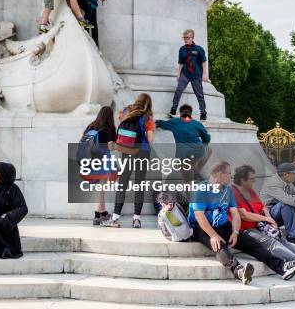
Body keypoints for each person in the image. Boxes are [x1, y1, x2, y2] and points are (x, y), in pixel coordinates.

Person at [189, 161, 288, 285]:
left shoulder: (228, 190)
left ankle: (282, 267)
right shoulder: (201, 189)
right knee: (219, 245)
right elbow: (199, 215)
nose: (231, 177)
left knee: (252, 243)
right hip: (202, 227)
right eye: (229, 174)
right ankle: (238, 270)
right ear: (219, 174)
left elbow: (235, 213)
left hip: (224, 225)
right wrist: (213, 236)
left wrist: (235, 232)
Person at [232, 165, 295, 277]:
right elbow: (244, 215)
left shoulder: (250, 191)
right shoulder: (233, 192)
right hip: (247, 228)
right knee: (272, 243)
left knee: (283, 241)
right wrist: (266, 219)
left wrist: (271, 221)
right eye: (251, 178)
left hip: (262, 223)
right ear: (242, 179)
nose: (254, 181)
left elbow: (262, 207)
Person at [102, 93, 155, 229]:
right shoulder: (148, 117)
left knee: (123, 183)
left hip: (127, 151)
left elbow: (122, 131)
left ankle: (115, 219)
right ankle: (136, 219)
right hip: (142, 152)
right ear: (148, 104)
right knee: (139, 184)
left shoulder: (126, 111)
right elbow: (150, 140)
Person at [260, 163, 295, 246]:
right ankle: (293, 237)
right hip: (267, 217)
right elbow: (287, 199)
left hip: (280, 214)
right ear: (285, 174)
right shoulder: (272, 183)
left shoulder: (286, 181)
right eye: (294, 173)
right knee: (286, 204)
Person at [81, 106, 118, 225]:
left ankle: (101, 212)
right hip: (103, 160)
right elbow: (112, 146)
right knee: (101, 188)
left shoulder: (91, 126)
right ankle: (98, 215)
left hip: (91, 160)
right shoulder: (108, 129)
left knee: (100, 188)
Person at [168, 30, 208, 121]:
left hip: (196, 74)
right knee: (178, 90)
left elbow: (204, 62)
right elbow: (181, 63)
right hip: (185, 73)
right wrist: (178, 74)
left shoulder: (199, 49)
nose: (186, 40)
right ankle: (173, 109)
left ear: (192, 38)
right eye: (184, 38)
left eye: (188, 38)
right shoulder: (182, 49)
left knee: (199, 94)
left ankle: (203, 112)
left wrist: (205, 74)